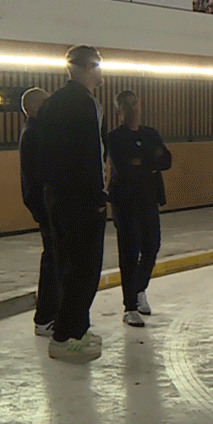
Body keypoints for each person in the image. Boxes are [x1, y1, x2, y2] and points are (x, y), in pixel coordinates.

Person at [37, 45, 108, 360]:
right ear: (90, 67)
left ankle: (76, 328)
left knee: (66, 264)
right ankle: (65, 337)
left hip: (58, 197)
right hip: (81, 199)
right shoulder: (86, 103)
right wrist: (98, 197)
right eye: (99, 66)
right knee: (85, 268)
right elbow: (90, 155)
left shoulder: (52, 102)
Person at [107, 90, 172, 329]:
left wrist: (144, 161)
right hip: (125, 200)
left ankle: (139, 289)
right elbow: (124, 165)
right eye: (127, 105)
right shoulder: (115, 137)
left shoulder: (150, 133)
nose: (133, 108)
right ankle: (130, 306)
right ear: (120, 110)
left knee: (152, 245)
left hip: (149, 198)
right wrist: (149, 161)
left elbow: (166, 160)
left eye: (136, 103)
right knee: (129, 251)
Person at [19, 87, 58, 338]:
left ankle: (50, 313)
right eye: (45, 104)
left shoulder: (34, 131)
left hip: (43, 203)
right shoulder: (36, 133)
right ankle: (44, 316)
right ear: (32, 109)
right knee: (53, 259)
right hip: (45, 205)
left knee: (55, 258)